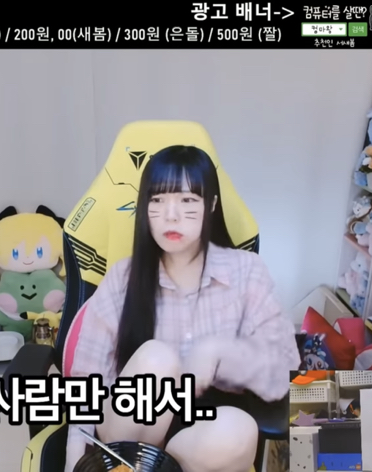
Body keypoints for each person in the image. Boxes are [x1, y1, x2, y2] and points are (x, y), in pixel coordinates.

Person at [64, 145, 301, 472]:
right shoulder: (123, 277)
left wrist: (221, 353)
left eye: (187, 200)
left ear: (212, 205)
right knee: (157, 359)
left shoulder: (247, 273)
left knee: (240, 429)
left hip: (200, 431)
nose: (171, 215)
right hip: (130, 428)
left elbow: (281, 365)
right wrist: (74, 456)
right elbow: (86, 379)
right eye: (157, 200)